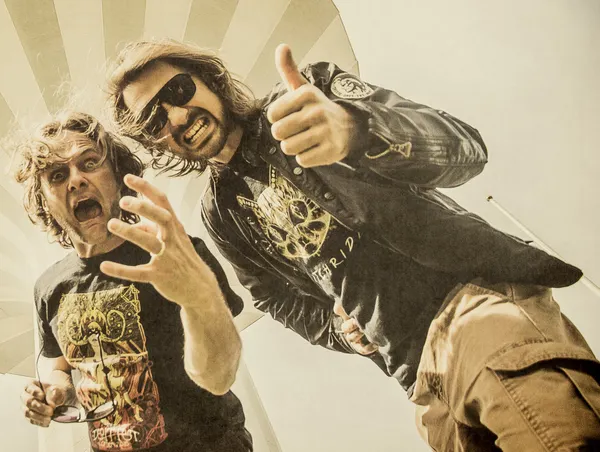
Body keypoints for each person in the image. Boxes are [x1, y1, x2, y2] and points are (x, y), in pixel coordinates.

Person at [107, 39, 600, 450]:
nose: (177, 115)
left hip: (475, 305)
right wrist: (337, 330)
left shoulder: (310, 94)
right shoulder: (220, 216)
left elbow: (465, 148)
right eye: (154, 120)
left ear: (208, 79)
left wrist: (357, 130)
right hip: (417, 378)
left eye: (178, 90)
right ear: (154, 143)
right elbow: (273, 299)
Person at [14, 112, 253, 451]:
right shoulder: (48, 287)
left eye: (90, 163)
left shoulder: (174, 253)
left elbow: (221, 375)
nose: (76, 180)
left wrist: (198, 297)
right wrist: (53, 390)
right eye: (57, 175)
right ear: (45, 202)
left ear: (117, 175)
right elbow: (58, 365)